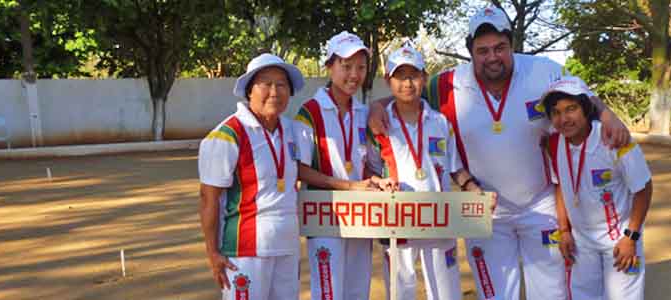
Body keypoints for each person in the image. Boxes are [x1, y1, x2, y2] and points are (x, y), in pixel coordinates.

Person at [368, 7, 631, 300]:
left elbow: (581, 95)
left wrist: (606, 113)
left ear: (512, 45)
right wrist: (378, 105)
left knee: (551, 293)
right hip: (486, 209)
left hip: (541, 206)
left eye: (500, 48)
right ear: (470, 51)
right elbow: (406, 92)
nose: (492, 57)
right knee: (494, 294)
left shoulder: (543, 70)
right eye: (482, 50)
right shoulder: (444, 85)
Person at [367, 45, 486, 300]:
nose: (407, 83)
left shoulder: (441, 122)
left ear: (424, 78)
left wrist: (475, 190)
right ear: (389, 80)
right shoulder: (379, 124)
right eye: (400, 76)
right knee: (401, 294)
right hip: (397, 223)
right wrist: (379, 183)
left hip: (440, 222)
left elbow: (455, 167)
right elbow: (370, 171)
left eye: (413, 75)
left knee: (446, 294)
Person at [198, 53, 305, 299]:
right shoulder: (227, 135)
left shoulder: (291, 130)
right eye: (266, 83)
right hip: (245, 251)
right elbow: (208, 198)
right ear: (249, 90)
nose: (275, 91)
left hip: (287, 247)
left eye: (282, 84)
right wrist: (213, 253)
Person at [293, 31, 390, 300]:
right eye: (346, 66)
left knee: (358, 289)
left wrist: (376, 181)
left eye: (360, 67)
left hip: (361, 212)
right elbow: (299, 169)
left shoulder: (363, 112)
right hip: (325, 214)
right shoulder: (309, 112)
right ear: (329, 66)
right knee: (328, 291)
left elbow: (367, 164)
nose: (354, 75)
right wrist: (349, 186)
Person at [543, 77, 652, 300]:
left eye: (571, 109)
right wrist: (564, 230)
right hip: (581, 242)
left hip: (619, 239)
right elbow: (561, 187)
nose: (563, 119)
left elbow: (643, 189)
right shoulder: (554, 144)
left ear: (586, 109)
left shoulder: (615, 139)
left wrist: (630, 237)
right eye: (556, 112)